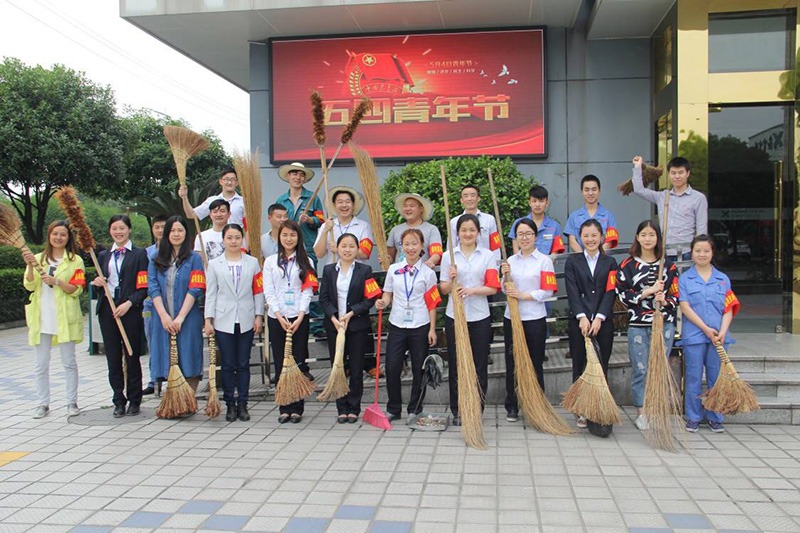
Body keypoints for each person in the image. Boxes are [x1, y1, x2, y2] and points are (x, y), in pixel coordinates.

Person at [617, 220, 679, 430]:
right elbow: (622, 295)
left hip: (663, 324)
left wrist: (665, 301)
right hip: (638, 323)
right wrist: (647, 292)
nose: (647, 239)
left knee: (658, 368)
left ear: (658, 238)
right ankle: (642, 412)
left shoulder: (668, 265)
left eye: (652, 235)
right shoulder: (628, 265)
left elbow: (677, 295)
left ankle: (656, 409)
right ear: (637, 237)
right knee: (640, 368)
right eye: (643, 234)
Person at [439, 214, 501, 426]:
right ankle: (458, 410)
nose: (467, 234)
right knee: (456, 364)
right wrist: (451, 278)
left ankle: (476, 408)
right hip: (455, 316)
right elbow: (443, 289)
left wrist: (471, 290)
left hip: (479, 316)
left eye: (472, 230)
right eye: (463, 230)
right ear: (457, 233)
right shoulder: (448, 256)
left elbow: (493, 287)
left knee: (479, 364)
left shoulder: (487, 256)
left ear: (478, 233)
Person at [22, 221, 86, 419]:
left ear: (68, 238)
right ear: (49, 235)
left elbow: (77, 289)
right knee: (40, 364)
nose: (58, 238)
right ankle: (43, 403)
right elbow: (29, 285)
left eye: (63, 234)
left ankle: (72, 402)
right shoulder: (38, 259)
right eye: (55, 234)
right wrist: (30, 266)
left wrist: (57, 281)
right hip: (42, 318)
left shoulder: (75, 261)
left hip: (65, 318)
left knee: (69, 362)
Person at [375, 228, 439, 421]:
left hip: (420, 324)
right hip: (397, 323)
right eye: (407, 244)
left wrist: (432, 329)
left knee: (419, 368)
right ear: (401, 247)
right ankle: (393, 408)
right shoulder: (394, 269)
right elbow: (388, 293)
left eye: (414, 243)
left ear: (422, 246)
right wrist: (383, 302)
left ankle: (415, 409)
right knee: (392, 367)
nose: (410, 248)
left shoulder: (428, 273)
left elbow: (432, 303)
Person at [678, 234, 740, 433]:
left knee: (716, 378)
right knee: (693, 378)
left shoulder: (723, 279)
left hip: (719, 339)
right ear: (691, 253)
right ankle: (693, 416)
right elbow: (685, 307)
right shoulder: (685, 279)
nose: (702, 254)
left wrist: (722, 332)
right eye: (698, 251)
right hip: (694, 337)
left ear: (712, 253)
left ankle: (715, 416)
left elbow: (729, 308)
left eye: (706, 251)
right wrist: (705, 329)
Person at [204, 223, 264, 422]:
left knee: (243, 363)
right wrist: (208, 319)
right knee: (228, 364)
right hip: (223, 319)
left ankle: (243, 403)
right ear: (223, 240)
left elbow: (258, 291)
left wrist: (258, 315)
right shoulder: (215, 264)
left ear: (242, 239)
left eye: (237, 237)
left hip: (246, 318)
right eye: (229, 237)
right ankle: (230, 403)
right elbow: (211, 293)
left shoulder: (252, 262)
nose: (233, 241)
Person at [91, 215, 149, 418]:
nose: (118, 232)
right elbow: (99, 284)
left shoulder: (140, 254)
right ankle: (118, 399)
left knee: (132, 355)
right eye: (114, 228)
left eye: (122, 228)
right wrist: (97, 282)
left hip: (129, 310)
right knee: (113, 357)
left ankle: (135, 399)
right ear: (110, 231)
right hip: (108, 310)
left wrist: (129, 303)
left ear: (129, 230)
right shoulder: (103, 256)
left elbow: (143, 287)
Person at [500, 218, 558, 422]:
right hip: (512, 317)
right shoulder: (510, 261)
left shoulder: (544, 261)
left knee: (534, 362)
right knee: (512, 361)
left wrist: (523, 295)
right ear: (516, 237)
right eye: (520, 234)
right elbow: (504, 289)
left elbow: (548, 290)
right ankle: (512, 405)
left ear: (535, 236)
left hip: (534, 318)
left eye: (528, 234)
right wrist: (504, 279)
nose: (524, 238)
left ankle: (535, 404)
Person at [564, 219, 619, 430]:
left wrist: (599, 317)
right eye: (586, 236)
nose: (590, 239)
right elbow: (572, 290)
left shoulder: (610, 263)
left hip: (603, 323)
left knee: (601, 364)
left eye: (594, 235)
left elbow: (610, 291)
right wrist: (582, 317)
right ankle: (580, 409)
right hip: (579, 322)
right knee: (579, 364)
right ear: (580, 238)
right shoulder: (572, 261)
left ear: (601, 237)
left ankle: (598, 408)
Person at [318, 233, 380, 422]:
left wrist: (351, 313)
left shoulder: (365, 270)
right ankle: (341, 408)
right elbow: (324, 298)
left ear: (357, 249)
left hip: (357, 326)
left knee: (356, 367)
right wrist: (334, 317)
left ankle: (354, 408)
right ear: (337, 248)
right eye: (343, 246)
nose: (347, 250)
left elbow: (370, 298)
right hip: (334, 326)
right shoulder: (329, 270)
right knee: (338, 366)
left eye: (352, 246)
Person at [263, 220, 318, 424]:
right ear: (279, 237)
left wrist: (301, 315)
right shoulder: (270, 262)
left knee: (299, 361)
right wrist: (278, 315)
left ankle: (297, 408)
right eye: (285, 235)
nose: (288, 239)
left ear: (298, 237)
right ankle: (284, 406)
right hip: (277, 318)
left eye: (292, 235)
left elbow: (307, 290)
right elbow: (269, 291)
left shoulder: (307, 261)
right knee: (281, 362)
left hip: (299, 317)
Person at [148, 216, 206, 394]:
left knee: (189, 357)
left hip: (188, 317)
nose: (176, 234)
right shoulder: (156, 258)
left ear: (186, 233)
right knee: (166, 357)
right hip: (162, 318)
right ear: (166, 233)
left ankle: (189, 399)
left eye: (180, 230)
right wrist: (164, 316)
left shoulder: (194, 259)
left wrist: (180, 317)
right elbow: (153, 287)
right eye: (172, 230)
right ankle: (173, 399)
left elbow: (196, 287)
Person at [631, 156, 708, 261]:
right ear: (669, 174)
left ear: (688, 173)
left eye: (680, 172)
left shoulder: (698, 198)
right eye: (673, 173)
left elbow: (701, 228)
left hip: (687, 252)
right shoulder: (662, 196)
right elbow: (639, 190)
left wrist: (699, 252)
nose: (677, 176)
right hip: (664, 251)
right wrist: (637, 167)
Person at [274, 162, 324, 264]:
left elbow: (321, 220)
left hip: (307, 248)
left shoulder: (313, 197)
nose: (298, 177)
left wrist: (310, 220)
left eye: (301, 175)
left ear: (304, 178)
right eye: (295, 174)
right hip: (287, 247)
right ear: (288, 176)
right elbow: (276, 223)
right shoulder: (281, 200)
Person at [314, 186, 374, 266]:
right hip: (333, 271)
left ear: (353, 205)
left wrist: (339, 249)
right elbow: (318, 254)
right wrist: (325, 231)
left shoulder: (363, 226)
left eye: (348, 202)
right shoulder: (327, 225)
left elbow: (365, 253)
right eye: (340, 202)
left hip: (357, 271)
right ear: (334, 205)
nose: (344, 205)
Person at [143, 214, 168, 395]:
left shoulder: (176, 251)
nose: (160, 230)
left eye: (164, 227)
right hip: (150, 304)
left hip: (171, 302)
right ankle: (153, 378)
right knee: (152, 340)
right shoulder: (146, 253)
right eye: (157, 227)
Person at [386, 193, 443, 268]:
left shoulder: (431, 229)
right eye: (405, 206)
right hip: (399, 272)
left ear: (421, 208)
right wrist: (386, 259)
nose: (408, 209)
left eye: (412, 206)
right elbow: (391, 255)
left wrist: (429, 263)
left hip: (423, 271)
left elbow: (437, 253)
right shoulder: (395, 230)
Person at [564, 175, 619, 252]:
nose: (590, 193)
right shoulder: (574, 216)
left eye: (594, 189)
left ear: (599, 191)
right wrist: (584, 257)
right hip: (580, 258)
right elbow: (572, 240)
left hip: (602, 257)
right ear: (582, 192)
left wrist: (597, 256)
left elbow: (610, 240)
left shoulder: (609, 216)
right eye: (587, 190)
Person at [509, 185, 566, 256]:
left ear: (547, 203)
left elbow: (556, 250)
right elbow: (516, 249)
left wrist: (546, 262)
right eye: (534, 201)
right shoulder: (519, 223)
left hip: (547, 262)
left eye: (541, 201)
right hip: (523, 262)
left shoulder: (555, 226)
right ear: (529, 203)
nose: (537, 204)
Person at [449, 184, 501, 261]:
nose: (469, 199)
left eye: (473, 195)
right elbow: (451, 246)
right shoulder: (454, 222)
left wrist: (495, 264)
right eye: (466, 196)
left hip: (485, 262)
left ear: (478, 198)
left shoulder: (489, 219)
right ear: (461, 200)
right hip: (462, 263)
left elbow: (495, 246)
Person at [179, 166, 245, 226]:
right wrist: (184, 198)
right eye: (227, 179)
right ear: (221, 181)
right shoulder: (212, 200)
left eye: (232, 179)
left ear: (237, 182)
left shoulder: (243, 202)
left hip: (237, 235)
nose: (229, 182)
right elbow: (191, 214)